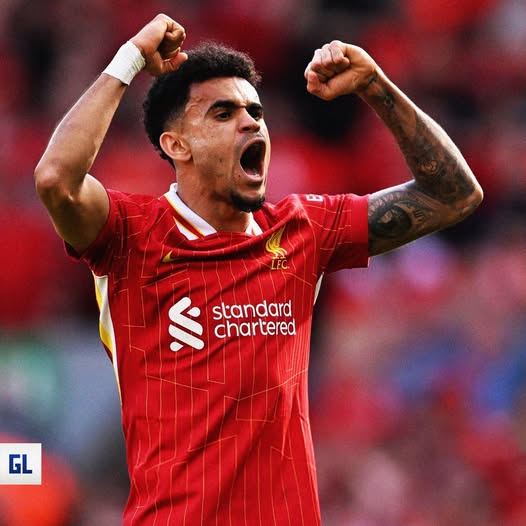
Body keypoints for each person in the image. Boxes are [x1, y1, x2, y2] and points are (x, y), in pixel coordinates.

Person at [34, 13, 483, 526]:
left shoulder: (303, 231)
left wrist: (376, 87)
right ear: (176, 145)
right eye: (223, 113)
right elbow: (56, 179)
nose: (251, 122)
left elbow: (453, 195)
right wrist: (130, 57)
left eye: (255, 111)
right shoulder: (130, 236)